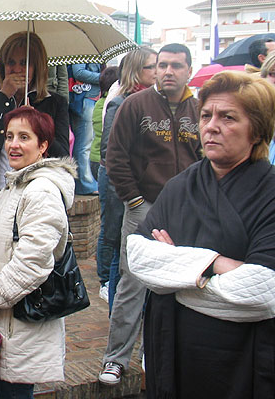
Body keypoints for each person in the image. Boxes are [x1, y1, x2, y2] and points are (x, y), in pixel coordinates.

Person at [126, 71, 275, 398]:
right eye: (206, 115)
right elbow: (138, 255)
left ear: (257, 129)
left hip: (241, 360)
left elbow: (263, 293)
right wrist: (215, 263)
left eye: (228, 117)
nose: (211, 126)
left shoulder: (270, 193)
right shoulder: (181, 185)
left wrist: (172, 274)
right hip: (173, 348)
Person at [0, 107, 76, 398]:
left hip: (22, 325)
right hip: (5, 321)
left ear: (43, 145)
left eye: (24, 137)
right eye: (10, 136)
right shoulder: (15, 187)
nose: (14, 144)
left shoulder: (41, 192)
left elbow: (33, 264)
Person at [99, 43, 201, 386]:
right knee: (133, 281)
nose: (168, 71)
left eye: (176, 65)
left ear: (189, 69)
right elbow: (115, 157)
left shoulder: (199, 108)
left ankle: (156, 351)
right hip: (145, 206)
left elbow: (204, 158)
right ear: (154, 70)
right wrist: (134, 201)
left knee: (179, 281)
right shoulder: (135, 105)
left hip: (187, 208)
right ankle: (116, 358)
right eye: (162, 65)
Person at [0, 32, 70, 215]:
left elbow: (62, 155)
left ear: (37, 67)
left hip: (36, 198)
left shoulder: (55, 103)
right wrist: (3, 96)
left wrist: (37, 124)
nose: (17, 69)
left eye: (24, 63)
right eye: (11, 63)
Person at [100, 47, 157, 309]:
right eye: (152, 67)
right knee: (117, 248)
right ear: (136, 71)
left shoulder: (156, 105)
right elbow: (109, 152)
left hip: (145, 190)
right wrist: (132, 197)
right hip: (121, 187)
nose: (158, 72)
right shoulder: (120, 103)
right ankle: (115, 305)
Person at [90, 66, 120, 302]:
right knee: (108, 227)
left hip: (97, 162)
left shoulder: (102, 102)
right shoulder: (112, 104)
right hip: (101, 164)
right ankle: (105, 278)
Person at [70, 63, 101, 194]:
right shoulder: (82, 51)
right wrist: (102, 77)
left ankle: (86, 182)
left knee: (86, 143)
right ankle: (85, 184)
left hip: (90, 97)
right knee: (84, 144)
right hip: (85, 98)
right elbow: (79, 72)